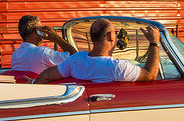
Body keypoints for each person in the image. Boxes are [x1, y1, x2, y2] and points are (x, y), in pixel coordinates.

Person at [34, 18, 162, 84]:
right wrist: (154, 42)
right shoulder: (117, 67)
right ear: (110, 36)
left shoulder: (76, 59)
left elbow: (45, 76)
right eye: (115, 33)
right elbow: (150, 74)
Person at [9, 14, 77, 73]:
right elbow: (75, 57)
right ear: (37, 30)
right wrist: (56, 38)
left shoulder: (15, 55)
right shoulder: (43, 52)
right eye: (41, 28)